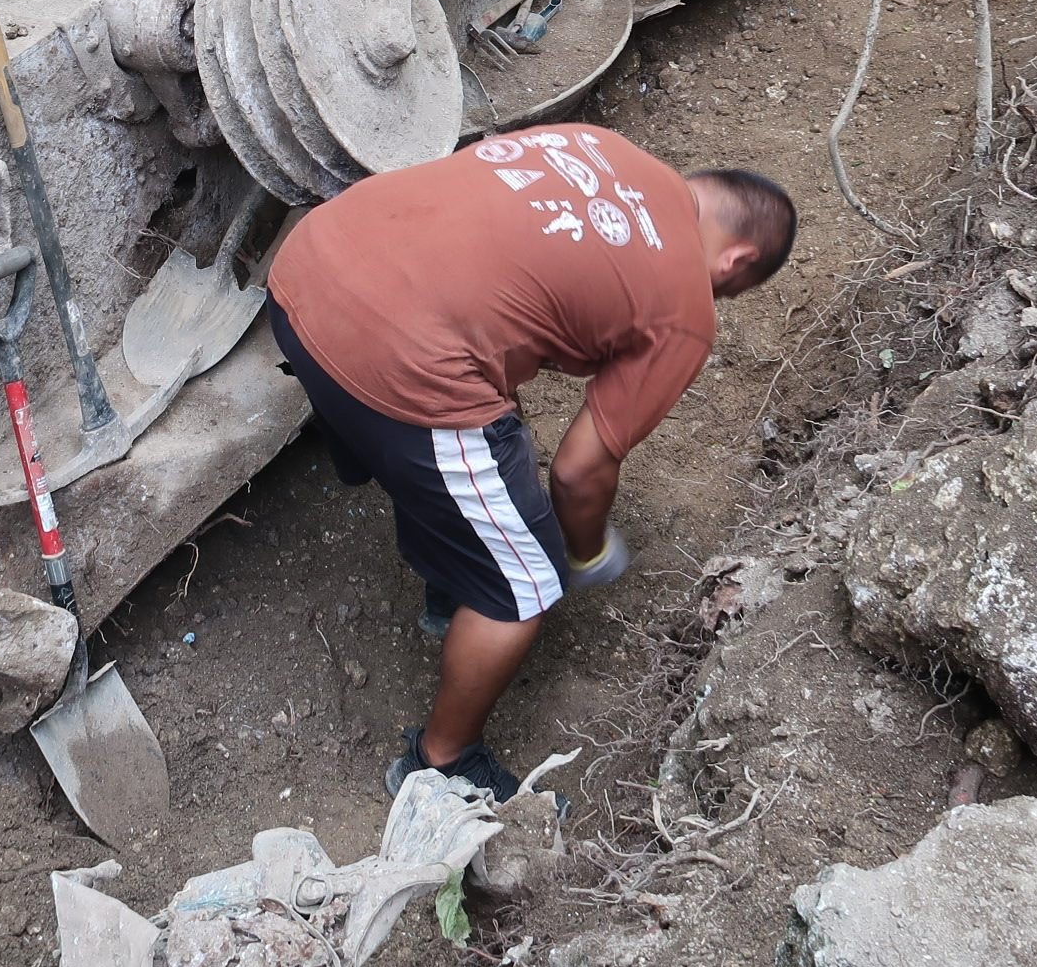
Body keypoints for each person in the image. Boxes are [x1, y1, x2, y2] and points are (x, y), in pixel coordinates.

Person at [264, 124, 795, 801]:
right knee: (524, 581)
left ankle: (449, 585)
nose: (717, 299)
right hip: (392, 357)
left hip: (307, 267)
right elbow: (577, 471)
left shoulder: (601, 145)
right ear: (736, 260)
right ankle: (442, 763)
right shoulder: (686, 306)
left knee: (476, 442)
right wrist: (584, 551)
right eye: (731, 291)